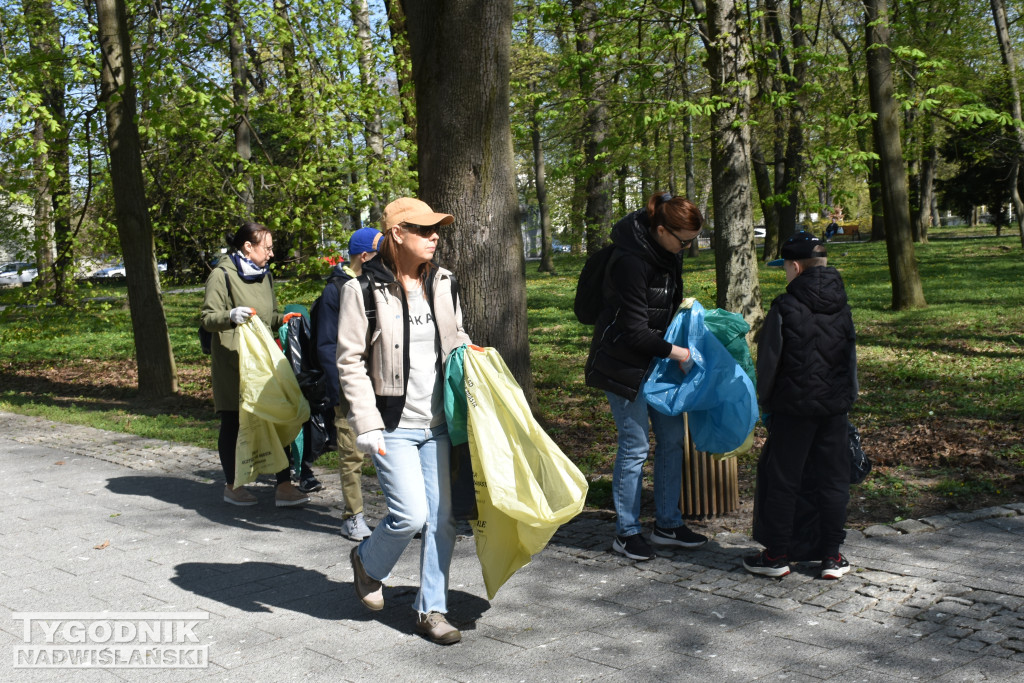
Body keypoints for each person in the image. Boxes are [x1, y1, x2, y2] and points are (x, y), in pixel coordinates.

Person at [337, 197, 472, 645]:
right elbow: (350, 361)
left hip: (438, 424)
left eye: (437, 230)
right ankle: (368, 563)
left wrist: (471, 355)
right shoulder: (362, 290)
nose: (435, 237)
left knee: (444, 519)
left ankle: (431, 609)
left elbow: (454, 338)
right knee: (410, 514)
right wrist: (367, 422)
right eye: (424, 229)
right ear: (398, 233)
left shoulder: (445, 283)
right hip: (391, 423)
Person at [584, 192, 709, 562]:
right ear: (660, 230)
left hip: (657, 362)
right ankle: (627, 531)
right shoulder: (630, 261)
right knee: (635, 446)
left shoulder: (666, 254)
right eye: (683, 241)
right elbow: (635, 330)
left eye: (692, 241)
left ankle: (668, 523)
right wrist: (681, 353)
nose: (687, 248)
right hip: (623, 364)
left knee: (672, 440)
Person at [745, 231, 858, 579]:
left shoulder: (784, 307)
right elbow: (850, 359)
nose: (785, 274)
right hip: (834, 410)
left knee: (783, 480)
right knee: (834, 480)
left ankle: (777, 556)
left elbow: (769, 364)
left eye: (785, 268)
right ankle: (831, 557)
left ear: (795, 266)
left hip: (792, 410)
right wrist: (846, 399)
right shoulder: (843, 304)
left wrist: (764, 403)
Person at [201, 222, 309, 508]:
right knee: (234, 422)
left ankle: (284, 487)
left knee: (275, 414)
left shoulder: (265, 276)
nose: (271, 254)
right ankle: (232, 486)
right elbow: (208, 319)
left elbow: (270, 316)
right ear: (248, 247)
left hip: (263, 361)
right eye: (267, 247)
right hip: (232, 364)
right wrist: (230, 315)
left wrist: (284, 319)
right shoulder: (221, 275)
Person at [314, 226, 383, 539]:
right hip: (349, 385)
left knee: (391, 448)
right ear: (365, 256)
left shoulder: (380, 284)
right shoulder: (336, 290)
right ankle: (352, 516)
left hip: (382, 382)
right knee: (351, 453)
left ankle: (403, 514)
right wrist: (341, 389)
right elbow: (328, 345)